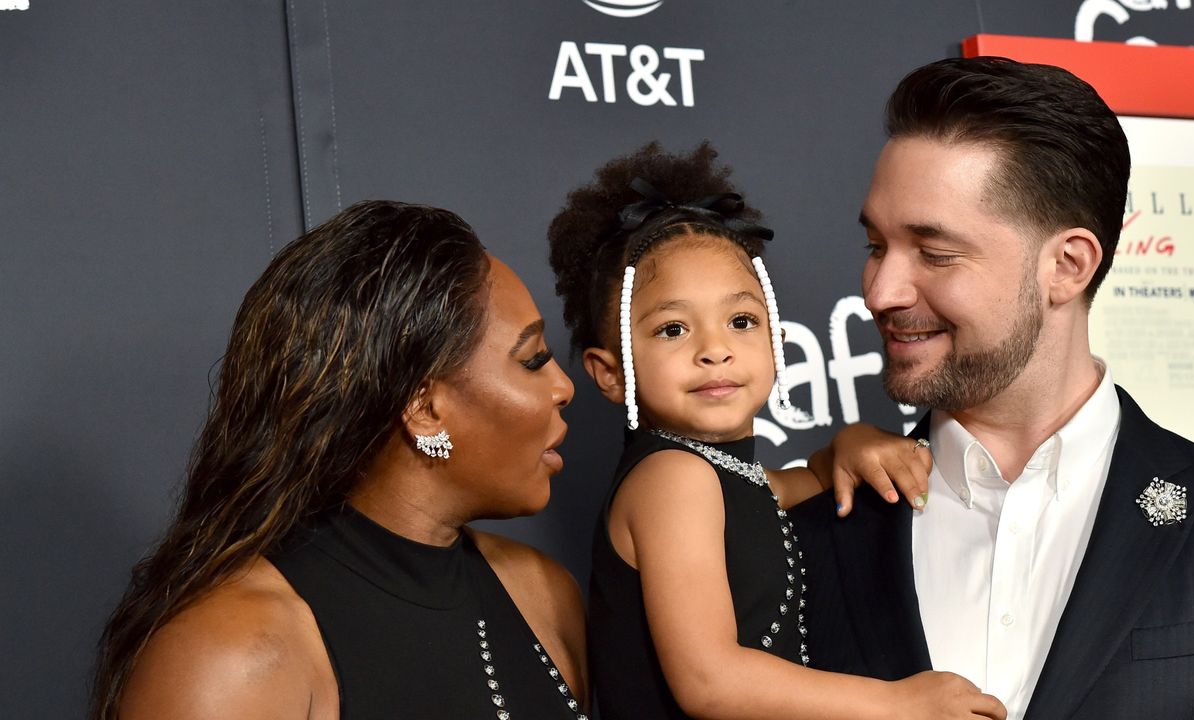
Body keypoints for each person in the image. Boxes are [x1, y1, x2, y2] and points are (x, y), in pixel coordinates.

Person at [797, 57, 1194, 720]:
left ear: (1068, 266)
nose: (880, 292)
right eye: (876, 245)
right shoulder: (809, 535)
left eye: (935, 253)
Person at [547, 142, 1005, 720]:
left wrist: (848, 443)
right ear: (609, 373)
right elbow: (710, 679)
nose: (715, 350)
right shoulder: (672, 479)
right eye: (672, 329)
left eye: (741, 322)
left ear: (775, 343)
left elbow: (793, 484)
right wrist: (895, 702)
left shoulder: (726, 476)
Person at [92, 201, 588, 719]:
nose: (563, 386)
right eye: (532, 360)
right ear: (424, 409)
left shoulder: (543, 593)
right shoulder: (231, 654)